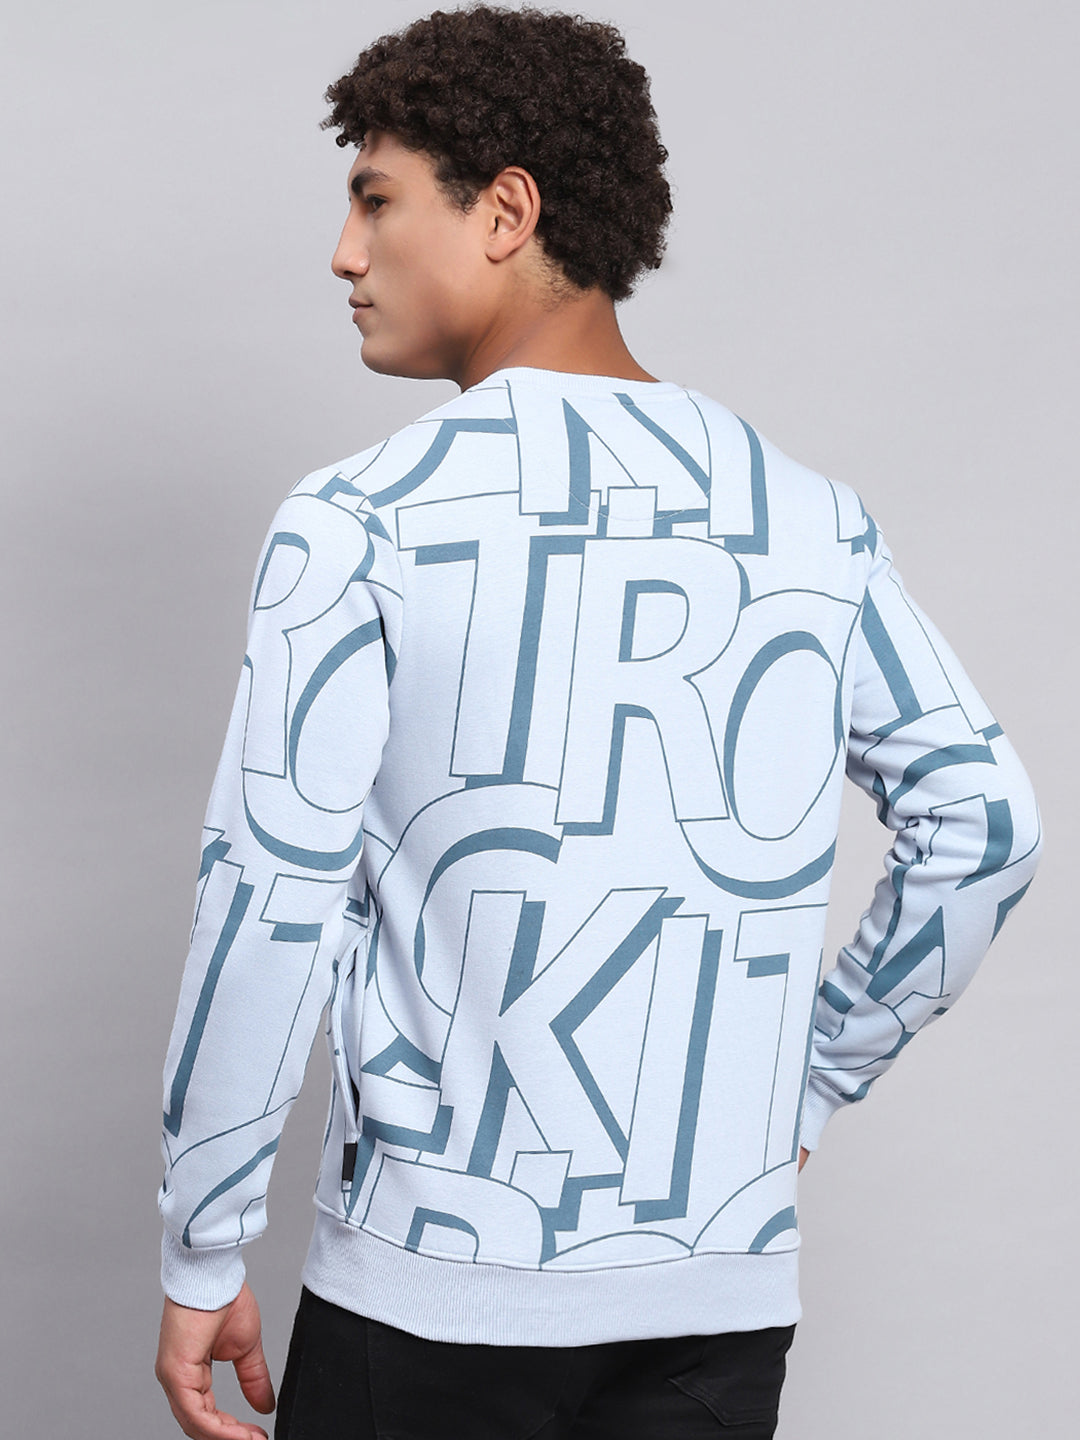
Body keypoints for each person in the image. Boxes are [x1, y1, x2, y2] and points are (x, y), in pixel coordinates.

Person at [154, 6, 1042, 1438]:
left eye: (376, 200)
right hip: (715, 1308)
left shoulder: (360, 521)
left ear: (505, 212)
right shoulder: (808, 518)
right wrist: (806, 1091)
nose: (344, 253)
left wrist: (204, 1245)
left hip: (429, 1302)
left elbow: (267, 902)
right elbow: (985, 826)